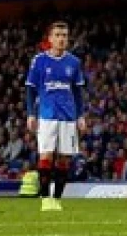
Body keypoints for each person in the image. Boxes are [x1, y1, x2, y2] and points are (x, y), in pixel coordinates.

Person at [24, 21, 85, 212]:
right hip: (47, 115)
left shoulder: (74, 62)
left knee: (65, 160)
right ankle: (45, 198)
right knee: (46, 156)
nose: (61, 39)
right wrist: (31, 114)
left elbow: (77, 92)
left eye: (65, 35)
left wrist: (80, 116)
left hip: (68, 117)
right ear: (50, 38)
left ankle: (57, 199)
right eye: (58, 35)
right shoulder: (39, 61)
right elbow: (31, 89)